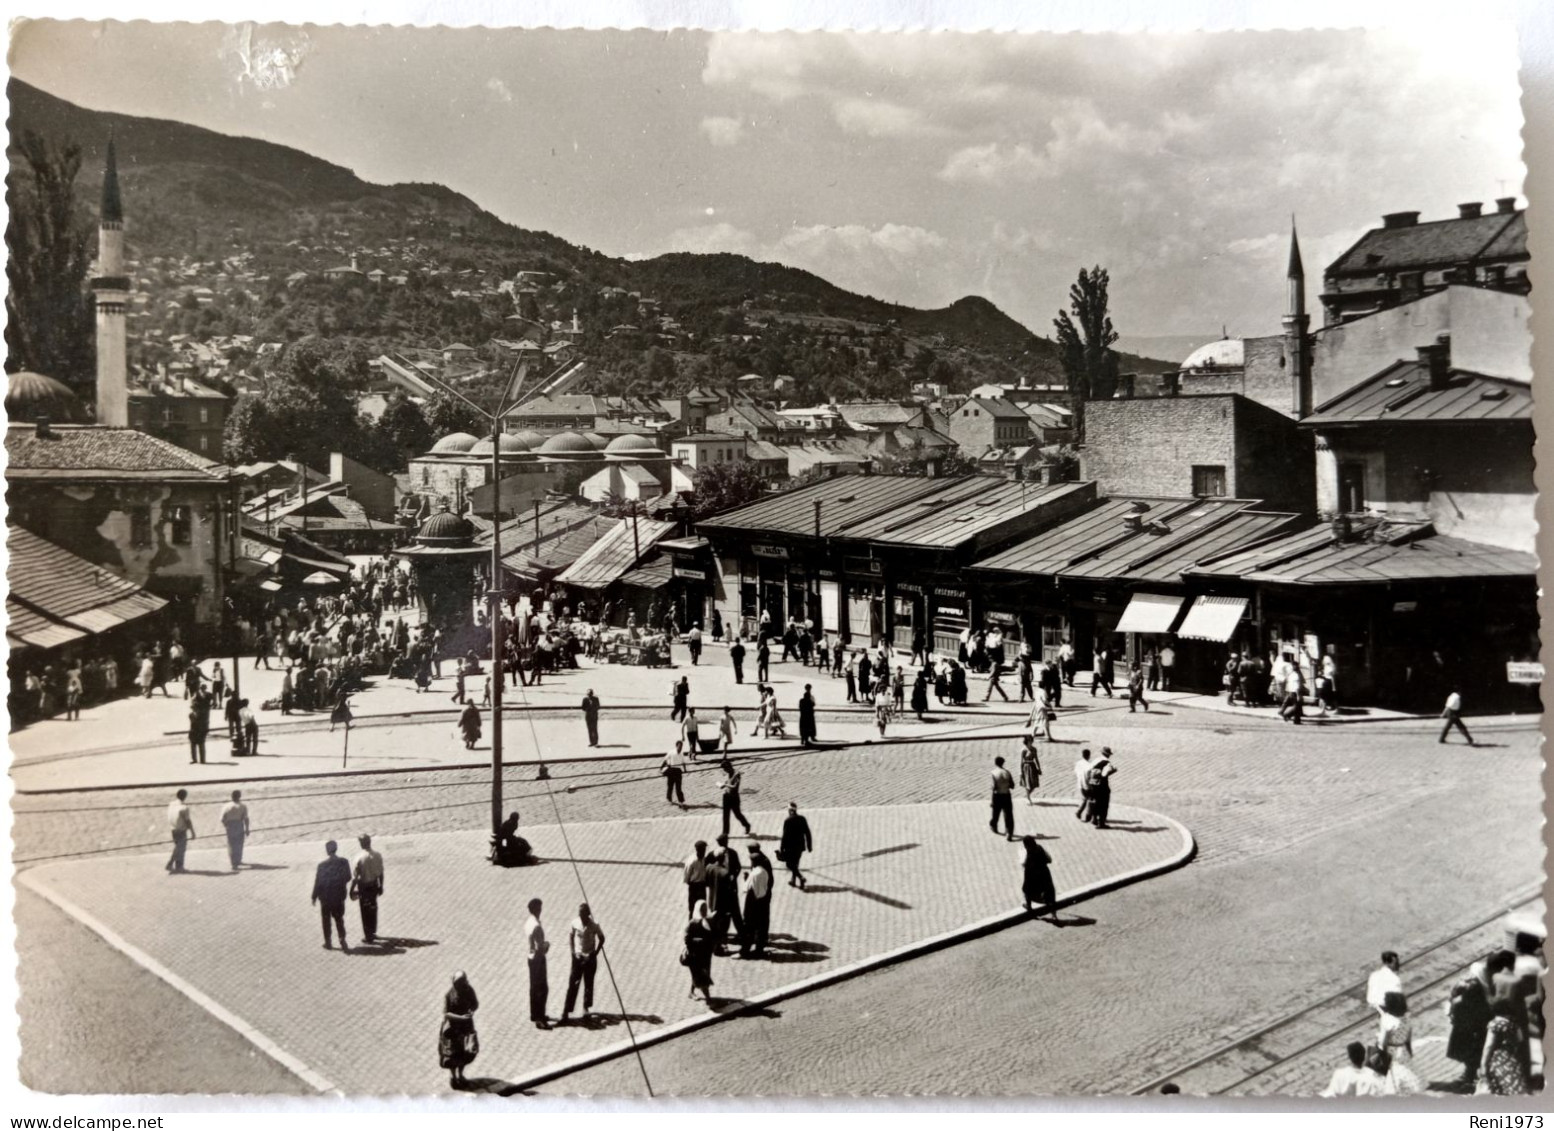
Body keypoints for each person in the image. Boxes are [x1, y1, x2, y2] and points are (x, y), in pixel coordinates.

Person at [1448, 951, 1509, 1087]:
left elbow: (1455, 993)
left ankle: (1469, 1075)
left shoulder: (1477, 976)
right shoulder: (1476, 985)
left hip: (1469, 1021)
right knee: (1474, 1050)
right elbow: (1477, 1005)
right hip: (1473, 1023)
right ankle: (1469, 1077)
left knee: (1473, 1051)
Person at [562, 903, 605, 1022]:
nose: (580, 915)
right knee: (573, 984)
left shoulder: (594, 925)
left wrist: (595, 953)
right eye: (579, 913)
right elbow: (571, 936)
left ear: (587, 914)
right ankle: (566, 1011)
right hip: (578, 957)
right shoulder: (575, 923)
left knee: (588, 984)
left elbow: (602, 938)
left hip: (589, 958)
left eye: (582, 913)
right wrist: (572, 952)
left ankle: (586, 1009)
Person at [1482, 998, 1533, 1094]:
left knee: (1499, 1088)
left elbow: (1488, 1046)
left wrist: (1483, 1064)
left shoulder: (1494, 1025)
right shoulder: (1514, 1025)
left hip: (1498, 1060)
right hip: (1513, 1059)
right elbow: (1520, 1040)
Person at [1377, 991, 1424, 1094]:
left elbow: (1383, 1042)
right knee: (1408, 1074)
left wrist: (1381, 1056)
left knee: (1392, 1080)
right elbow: (1408, 1038)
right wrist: (1410, 1052)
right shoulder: (1406, 1019)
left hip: (1391, 1052)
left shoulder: (1388, 1021)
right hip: (1403, 1050)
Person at [439, 972, 479, 1088]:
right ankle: (453, 1077)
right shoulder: (449, 995)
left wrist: (472, 1010)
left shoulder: (469, 990)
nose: (464, 984)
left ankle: (460, 1075)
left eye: (464, 981)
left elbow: (475, 1004)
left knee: (465, 1052)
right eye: (461, 982)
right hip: (452, 1029)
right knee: (452, 1055)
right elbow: (446, 1014)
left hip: (466, 1028)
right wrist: (461, 1018)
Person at [311, 840, 352, 950]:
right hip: (338, 896)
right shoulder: (344, 862)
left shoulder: (322, 865)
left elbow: (318, 882)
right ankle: (342, 938)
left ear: (327, 851)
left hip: (325, 898)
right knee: (339, 918)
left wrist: (314, 896)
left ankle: (328, 942)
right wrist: (339, 883)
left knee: (326, 920)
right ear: (336, 848)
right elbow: (348, 877)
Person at [740, 844, 773, 958]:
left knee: (750, 923)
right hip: (763, 898)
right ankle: (760, 946)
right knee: (761, 923)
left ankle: (747, 949)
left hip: (754, 900)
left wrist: (746, 879)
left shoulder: (755, 873)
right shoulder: (763, 870)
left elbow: (747, 889)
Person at [352, 834, 385, 944]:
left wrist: (352, 889)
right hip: (374, 885)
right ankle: (373, 931)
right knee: (373, 907)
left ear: (361, 843)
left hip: (364, 887)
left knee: (365, 910)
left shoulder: (359, 857)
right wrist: (381, 886)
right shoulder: (377, 855)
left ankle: (368, 935)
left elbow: (356, 877)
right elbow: (381, 873)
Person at [1321, 1042, 1386, 1097]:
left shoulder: (1340, 1074)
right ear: (1365, 1057)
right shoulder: (1372, 1078)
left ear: (1349, 1057)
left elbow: (1331, 1095)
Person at [524, 897, 551, 1029]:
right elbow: (541, 946)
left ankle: (534, 1013)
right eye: (539, 908)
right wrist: (547, 945)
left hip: (530, 957)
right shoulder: (537, 926)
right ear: (535, 909)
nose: (541, 910)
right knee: (542, 989)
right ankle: (540, 1018)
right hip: (538, 959)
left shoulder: (529, 922)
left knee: (534, 987)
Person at [684, 899, 716, 1001]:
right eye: (702, 909)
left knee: (701, 975)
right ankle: (708, 998)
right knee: (701, 976)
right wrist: (700, 941)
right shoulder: (693, 923)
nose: (704, 911)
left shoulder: (709, 921)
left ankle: (691, 992)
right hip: (695, 955)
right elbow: (687, 938)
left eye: (705, 909)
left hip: (706, 954)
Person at [1019, 835, 1056, 919]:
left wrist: (1021, 854)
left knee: (1027, 890)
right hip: (1044, 873)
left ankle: (1029, 906)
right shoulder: (1040, 848)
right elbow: (1049, 859)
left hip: (1031, 874)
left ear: (1025, 845)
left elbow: (1023, 863)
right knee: (1049, 893)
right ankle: (1054, 915)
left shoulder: (1025, 852)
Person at [779, 802, 812, 889]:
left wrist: (782, 848)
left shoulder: (787, 821)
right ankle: (794, 881)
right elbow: (807, 832)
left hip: (790, 847)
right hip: (800, 846)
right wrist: (809, 845)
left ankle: (801, 878)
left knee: (789, 865)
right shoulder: (802, 819)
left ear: (789, 810)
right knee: (795, 863)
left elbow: (784, 836)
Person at [720, 759, 752, 836]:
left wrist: (725, 785)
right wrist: (724, 783)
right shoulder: (728, 773)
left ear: (729, 767)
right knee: (725, 816)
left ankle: (747, 825)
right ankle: (725, 832)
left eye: (725, 769)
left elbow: (735, 787)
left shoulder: (737, 774)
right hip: (726, 796)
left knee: (737, 814)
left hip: (734, 797)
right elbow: (728, 781)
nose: (725, 771)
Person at [219, 789, 249, 871]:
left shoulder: (226, 806)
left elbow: (222, 818)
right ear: (239, 796)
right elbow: (246, 818)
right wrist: (247, 829)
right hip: (239, 824)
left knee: (231, 844)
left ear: (231, 796)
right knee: (239, 843)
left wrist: (226, 825)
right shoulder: (243, 806)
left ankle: (233, 863)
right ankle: (238, 860)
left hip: (230, 824)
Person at [166, 789, 195, 873]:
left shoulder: (171, 804)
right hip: (181, 830)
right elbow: (188, 821)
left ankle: (176, 866)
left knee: (178, 848)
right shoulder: (184, 808)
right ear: (185, 796)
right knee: (180, 849)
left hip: (173, 829)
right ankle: (173, 865)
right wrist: (192, 832)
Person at [1088, 749, 1117, 828]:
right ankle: (1101, 823)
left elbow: (1089, 769)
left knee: (1095, 802)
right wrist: (1113, 771)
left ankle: (1094, 819)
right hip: (1101, 786)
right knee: (1103, 804)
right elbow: (1104, 775)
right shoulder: (1107, 763)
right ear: (1108, 755)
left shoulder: (1096, 760)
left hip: (1093, 784)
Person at [989, 755, 1016, 840]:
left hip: (997, 795)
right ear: (1003, 763)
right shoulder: (1007, 772)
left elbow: (994, 787)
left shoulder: (993, 773)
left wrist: (991, 800)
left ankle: (994, 826)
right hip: (1007, 795)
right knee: (1008, 815)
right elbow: (1012, 785)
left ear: (995, 763)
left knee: (995, 813)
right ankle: (1009, 833)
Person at [683, 839, 710, 916]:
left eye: (705, 850)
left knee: (702, 907)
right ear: (698, 850)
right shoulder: (692, 861)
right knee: (692, 908)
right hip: (694, 887)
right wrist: (693, 884)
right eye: (703, 850)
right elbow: (686, 876)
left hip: (702, 886)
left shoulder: (704, 859)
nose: (704, 852)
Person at [188, 688, 211, 765]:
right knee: (193, 746)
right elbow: (191, 724)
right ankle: (194, 759)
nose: (193, 709)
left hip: (201, 731)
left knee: (201, 746)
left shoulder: (202, 715)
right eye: (193, 708)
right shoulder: (191, 715)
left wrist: (205, 730)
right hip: (193, 731)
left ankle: (202, 760)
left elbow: (204, 723)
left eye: (194, 708)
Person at [662, 741, 688, 807]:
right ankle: (669, 799)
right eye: (679, 746)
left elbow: (683, 763)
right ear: (676, 746)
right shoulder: (671, 752)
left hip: (678, 771)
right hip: (672, 770)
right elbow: (665, 759)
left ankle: (681, 801)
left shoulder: (681, 754)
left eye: (681, 746)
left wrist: (685, 770)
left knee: (678, 788)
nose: (680, 748)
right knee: (670, 786)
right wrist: (662, 768)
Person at [1019, 735, 1042, 804]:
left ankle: (1027, 795)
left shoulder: (1034, 749)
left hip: (1033, 766)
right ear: (1026, 742)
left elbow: (1036, 759)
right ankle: (1028, 797)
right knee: (1028, 782)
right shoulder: (1023, 750)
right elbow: (1021, 761)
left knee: (1034, 783)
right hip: (1026, 767)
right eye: (1029, 741)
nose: (1031, 742)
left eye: (1031, 741)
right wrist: (1020, 771)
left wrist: (1039, 768)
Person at [1074, 749, 1093, 823]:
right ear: (1089, 756)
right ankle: (1087, 815)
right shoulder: (1089, 765)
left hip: (1080, 784)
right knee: (1089, 800)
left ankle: (1079, 812)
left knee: (1085, 799)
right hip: (1087, 785)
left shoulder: (1078, 763)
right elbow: (1089, 777)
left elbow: (1076, 772)